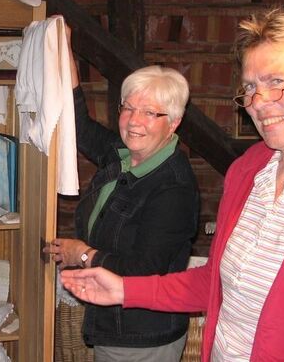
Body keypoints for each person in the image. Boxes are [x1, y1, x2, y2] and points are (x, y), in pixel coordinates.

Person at [61, 5, 284, 361]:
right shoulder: (250, 169)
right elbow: (216, 283)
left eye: (277, 82)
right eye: (251, 86)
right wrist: (125, 290)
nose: (259, 102)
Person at [44, 25, 199, 361]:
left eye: (149, 112)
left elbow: (145, 270)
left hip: (142, 336)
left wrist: (83, 254)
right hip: (113, 323)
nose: (133, 121)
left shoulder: (173, 187)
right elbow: (79, 127)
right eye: (128, 108)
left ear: (173, 121)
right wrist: (63, 48)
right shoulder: (123, 155)